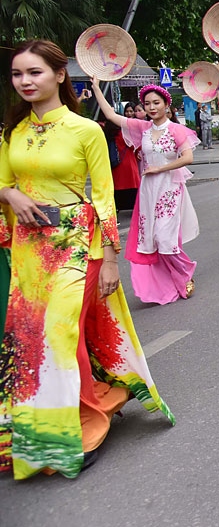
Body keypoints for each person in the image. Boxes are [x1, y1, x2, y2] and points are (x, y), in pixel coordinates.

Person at [1, 40, 174, 479]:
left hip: (80, 246)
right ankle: (51, 424)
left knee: (60, 339)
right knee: (31, 342)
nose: (25, 81)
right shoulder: (12, 133)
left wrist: (112, 260)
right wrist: (9, 192)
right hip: (28, 252)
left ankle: (80, 426)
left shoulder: (85, 130)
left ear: (59, 75)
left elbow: (104, 198)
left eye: (35, 72)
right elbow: (2, 183)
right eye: (18, 74)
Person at [92, 78, 200, 304]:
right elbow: (112, 116)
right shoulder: (143, 129)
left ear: (166, 105)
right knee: (152, 241)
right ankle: (171, 278)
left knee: (165, 239)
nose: (151, 107)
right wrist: (96, 88)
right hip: (149, 191)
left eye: (156, 103)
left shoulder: (177, 130)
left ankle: (185, 272)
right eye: (147, 104)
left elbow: (188, 158)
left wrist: (160, 168)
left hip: (170, 189)